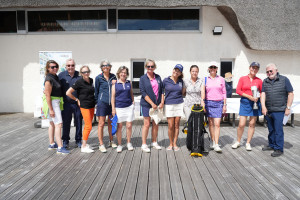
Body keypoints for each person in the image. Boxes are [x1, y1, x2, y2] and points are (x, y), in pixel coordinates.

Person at [261, 63, 294, 157]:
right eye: (267, 72)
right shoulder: (265, 81)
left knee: (278, 130)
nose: (269, 73)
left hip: (279, 110)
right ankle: (271, 145)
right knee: (271, 129)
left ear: (276, 70)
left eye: (271, 71)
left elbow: (290, 94)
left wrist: (288, 107)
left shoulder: (284, 79)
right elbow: (263, 94)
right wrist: (263, 107)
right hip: (268, 110)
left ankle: (279, 149)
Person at [232, 62, 263, 151]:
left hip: (255, 103)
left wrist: (258, 96)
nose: (254, 69)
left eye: (256, 68)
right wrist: (249, 96)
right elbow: (238, 90)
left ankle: (248, 143)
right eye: (253, 67)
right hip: (245, 102)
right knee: (241, 124)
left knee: (252, 124)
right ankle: (238, 141)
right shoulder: (242, 78)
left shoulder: (259, 80)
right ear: (249, 68)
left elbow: (262, 92)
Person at [66, 66, 95, 153]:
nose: (86, 73)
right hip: (84, 106)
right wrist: (76, 99)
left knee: (88, 126)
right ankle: (83, 146)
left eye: (87, 71)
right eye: (84, 72)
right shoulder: (79, 82)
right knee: (88, 126)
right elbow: (68, 92)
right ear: (81, 74)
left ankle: (84, 143)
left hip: (92, 105)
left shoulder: (91, 80)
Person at [43, 60, 69, 154]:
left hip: (55, 102)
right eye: (52, 67)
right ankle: (60, 147)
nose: (55, 68)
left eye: (56, 66)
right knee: (58, 124)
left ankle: (52, 144)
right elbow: (47, 95)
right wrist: (51, 109)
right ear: (48, 68)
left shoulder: (54, 76)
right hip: (53, 103)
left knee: (52, 123)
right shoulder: (49, 79)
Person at [139, 59, 164, 153]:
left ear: (154, 67)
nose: (150, 68)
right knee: (146, 124)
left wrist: (162, 102)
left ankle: (154, 142)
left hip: (157, 105)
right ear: (146, 67)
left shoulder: (158, 77)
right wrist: (152, 103)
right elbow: (143, 92)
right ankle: (144, 144)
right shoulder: (142, 78)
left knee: (155, 123)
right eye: (148, 66)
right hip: (146, 104)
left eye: (152, 66)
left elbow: (161, 90)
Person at [201, 62, 226, 152]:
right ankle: (212, 140)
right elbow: (203, 91)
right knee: (211, 124)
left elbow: (224, 92)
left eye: (214, 67)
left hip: (219, 103)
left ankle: (216, 143)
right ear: (209, 69)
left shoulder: (221, 79)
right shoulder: (205, 79)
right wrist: (203, 102)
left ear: (216, 69)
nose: (212, 69)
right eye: (211, 67)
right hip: (209, 103)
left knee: (217, 124)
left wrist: (225, 105)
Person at [58, 58, 82, 148]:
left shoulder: (79, 75)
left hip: (77, 103)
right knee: (66, 123)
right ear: (66, 66)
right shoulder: (61, 75)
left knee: (79, 122)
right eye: (68, 65)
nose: (70, 67)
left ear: (74, 66)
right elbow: (55, 86)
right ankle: (65, 140)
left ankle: (78, 140)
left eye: (72, 65)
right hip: (66, 103)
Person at [95, 60, 117, 153]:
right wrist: (97, 102)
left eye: (107, 65)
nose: (105, 67)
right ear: (101, 67)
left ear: (110, 67)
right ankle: (101, 144)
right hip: (102, 103)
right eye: (103, 65)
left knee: (111, 123)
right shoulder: (98, 78)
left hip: (111, 104)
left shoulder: (113, 77)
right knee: (101, 123)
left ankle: (111, 141)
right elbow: (96, 91)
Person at [111, 66, 135, 153]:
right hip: (119, 108)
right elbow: (112, 97)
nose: (123, 74)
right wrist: (113, 109)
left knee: (129, 126)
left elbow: (131, 93)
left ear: (127, 74)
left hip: (128, 107)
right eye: (122, 72)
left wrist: (133, 101)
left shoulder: (129, 82)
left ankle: (129, 143)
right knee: (119, 127)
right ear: (118, 73)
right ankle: (120, 144)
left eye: (125, 72)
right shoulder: (115, 84)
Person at [163, 64, 185, 151]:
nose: (176, 72)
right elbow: (161, 92)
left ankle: (175, 143)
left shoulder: (181, 81)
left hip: (179, 104)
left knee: (176, 125)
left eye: (178, 71)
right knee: (171, 125)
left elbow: (183, 93)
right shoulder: (166, 80)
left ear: (180, 73)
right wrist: (161, 102)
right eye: (175, 70)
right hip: (169, 104)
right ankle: (170, 143)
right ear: (173, 70)